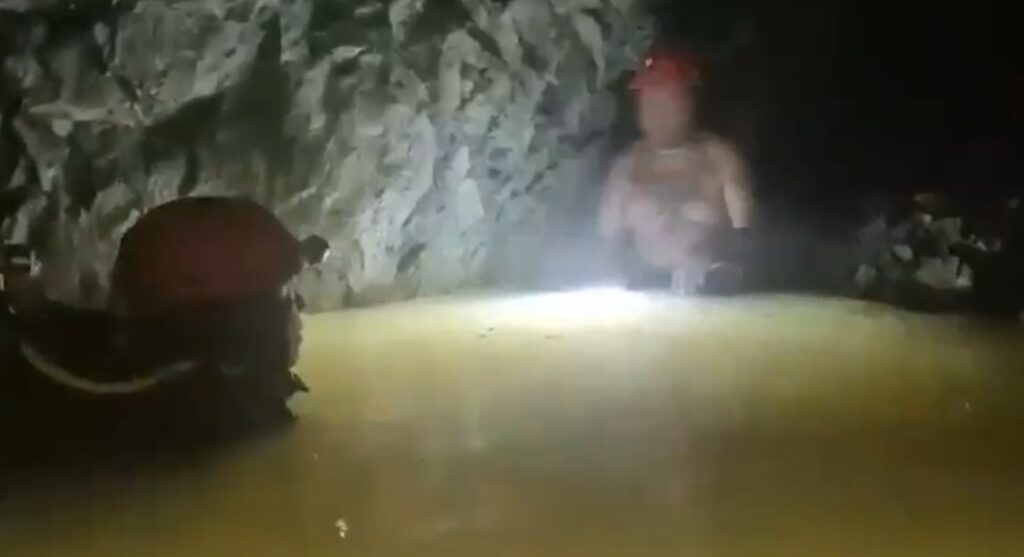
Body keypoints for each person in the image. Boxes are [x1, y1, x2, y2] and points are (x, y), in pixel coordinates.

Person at [598, 44, 756, 293]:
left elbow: (746, 239)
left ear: (687, 103)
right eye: (649, 100)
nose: (656, 110)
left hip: (711, 291)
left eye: (666, 98)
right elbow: (606, 245)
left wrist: (716, 265)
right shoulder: (625, 169)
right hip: (645, 292)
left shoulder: (720, 160)